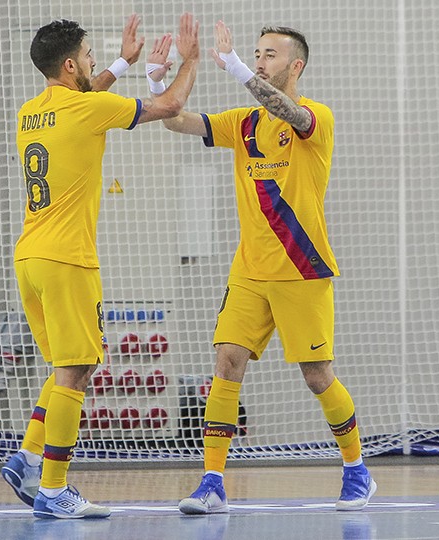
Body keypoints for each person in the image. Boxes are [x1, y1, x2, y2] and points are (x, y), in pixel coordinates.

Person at [146, 20, 376, 514]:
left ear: (296, 65)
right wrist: (156, 80)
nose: (259, 60)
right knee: (227, 362)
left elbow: (287, 110)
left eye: (269, 55)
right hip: (249, 271)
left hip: (302, 268)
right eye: (255, 53)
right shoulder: (243, 123)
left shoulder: (316, 117)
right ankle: (211, 483)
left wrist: (232, 67)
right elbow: (176, 121)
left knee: (317, 376)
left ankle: (357, 468)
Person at [0, 13, 202, 519]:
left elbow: (89, 96)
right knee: (76, 371)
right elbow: (172, 105)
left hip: (30, 257)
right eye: (89, 56)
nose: (94, 63)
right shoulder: (88, 110)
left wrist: (121, 62)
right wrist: (191, 59)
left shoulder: (32, 110)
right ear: (70, 65)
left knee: (67, 367)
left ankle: (27, 456)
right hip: (68, 259)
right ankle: (53, 488)